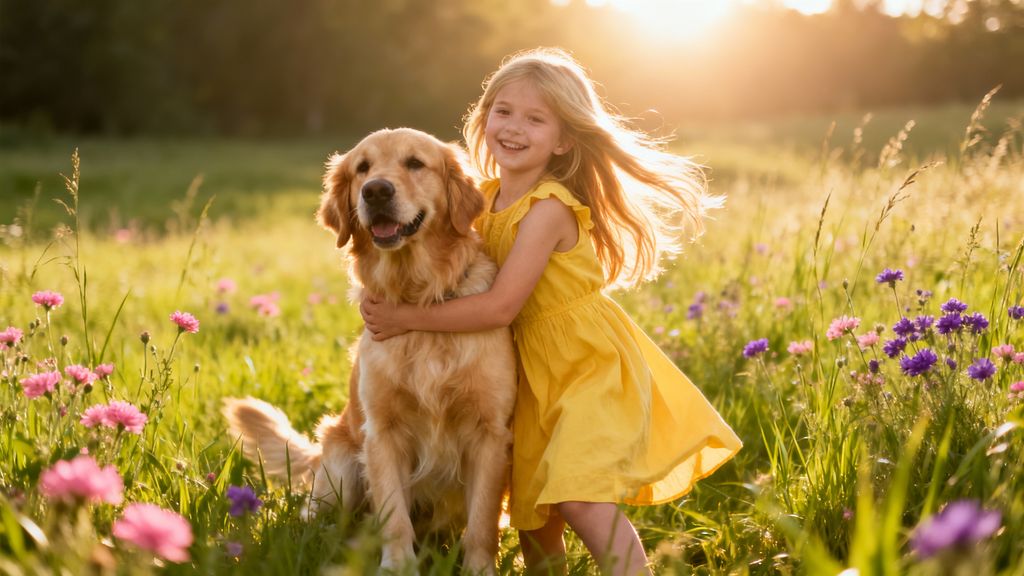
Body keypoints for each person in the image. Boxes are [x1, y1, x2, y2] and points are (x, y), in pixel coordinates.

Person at [360, 47, 742, 575]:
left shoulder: (548, 209)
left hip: (582, 368)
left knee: (579, 498)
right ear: (484, 116)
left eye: (536, 119)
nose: (514, 128)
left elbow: (498, 306)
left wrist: (404, 320)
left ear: (564, 139)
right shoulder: (484, 196)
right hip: (534, 375)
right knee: (534, 518)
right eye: (503, 111)